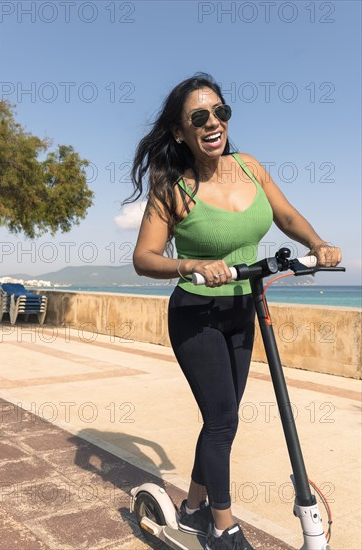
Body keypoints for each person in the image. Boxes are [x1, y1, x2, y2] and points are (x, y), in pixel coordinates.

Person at [125, 73, 341, 550]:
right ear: (181, 132)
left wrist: (317, 243)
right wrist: (191, 263)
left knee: (223, 418)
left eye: (219, 112)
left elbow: (285, 215)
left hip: (244, 309)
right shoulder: (172, 188)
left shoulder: (249, 167)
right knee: (222, 419)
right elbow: (144, 258)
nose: (212, 123)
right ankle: (221, 526)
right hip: (196, 313)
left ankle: (193, 506)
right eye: (198, 117)